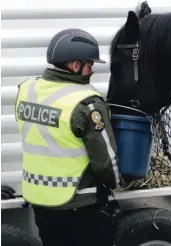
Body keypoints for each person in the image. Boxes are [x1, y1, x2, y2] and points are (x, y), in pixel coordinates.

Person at [14, 28, 121, 246]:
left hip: (39, 201)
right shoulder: (87, 104)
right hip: (78, 204)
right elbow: (105, 161)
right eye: (89, 65)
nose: (91, 71)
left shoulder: (27, 91)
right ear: (75, 65)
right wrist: (119, 183)